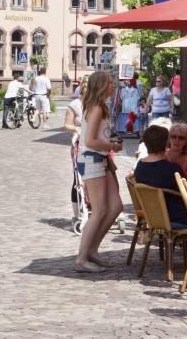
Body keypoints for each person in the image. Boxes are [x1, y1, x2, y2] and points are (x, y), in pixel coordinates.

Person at [74, 70, 123, 273]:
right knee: (100, 210)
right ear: (102, 86)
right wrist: (111, 146)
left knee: (116, 207)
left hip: (100, 158)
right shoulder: (96, 108)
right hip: (92, 159)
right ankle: (82, 258)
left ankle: (92, 250)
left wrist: (109, 144)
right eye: (110, 82)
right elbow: (90, 141)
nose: (113, 85)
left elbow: (95, 137)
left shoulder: (100, 107)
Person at [134, 125, 187, 228]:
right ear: (166, 143)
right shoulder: (172, 169)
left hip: (152, 217)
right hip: (176, 218)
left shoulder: (140, 167)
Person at [64, 77, 88, 227]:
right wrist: (78, 129)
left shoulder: (96, 105)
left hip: (94, 145)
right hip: (79, 144)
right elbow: (67, 125)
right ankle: (76, 214)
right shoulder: (75, 105)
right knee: (78, 179)